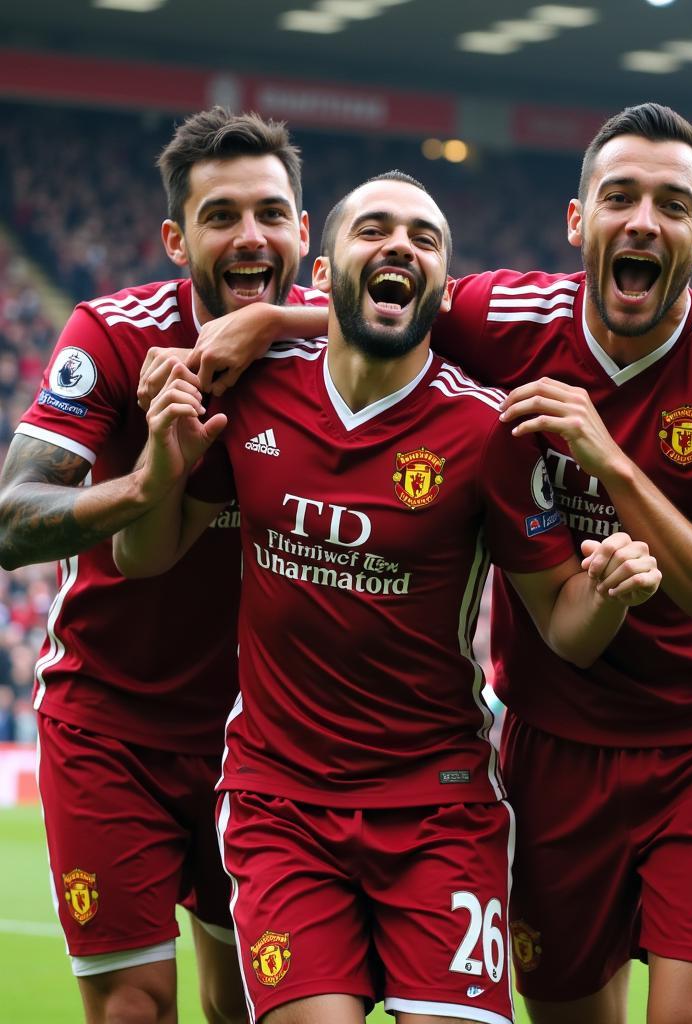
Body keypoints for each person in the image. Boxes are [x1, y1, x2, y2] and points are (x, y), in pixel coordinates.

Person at [139, 101, 692, 1024]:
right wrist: (261, 326)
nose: (643, 222)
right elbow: (377, 299)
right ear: (578, 222)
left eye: (672, 204)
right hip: (548, 737)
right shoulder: (497, 316)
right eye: (619, 196)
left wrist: (610, 464)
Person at [113, 171, 662, 1024]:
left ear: (439, 291)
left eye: (426, 238)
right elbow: (141, 556)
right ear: (323, 272)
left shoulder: (491, 434)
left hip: (438, 805)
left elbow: (568, 628)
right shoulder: (250, 390)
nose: (401, 245)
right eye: (373, 229)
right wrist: (158, 463)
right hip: (279, 803)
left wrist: (611, 591)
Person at [0, 107, 321, 1024]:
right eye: (221, 216)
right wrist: (144, 488)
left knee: (245, 1004)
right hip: (114, 725)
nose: (249, 235)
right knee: (133, 1009)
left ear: (304, 230)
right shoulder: (112, 332)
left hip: (266, 741)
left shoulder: (346, 345)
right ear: (178, 239)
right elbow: (13, 517)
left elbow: (475, 307)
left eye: (270, 212)